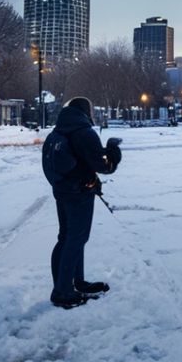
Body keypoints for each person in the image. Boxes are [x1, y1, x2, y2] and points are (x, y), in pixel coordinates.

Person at [48, 97, 122, 309]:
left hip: (62, 190)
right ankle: (63, 292)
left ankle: (74, 283)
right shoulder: (84, 132)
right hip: (79, 192)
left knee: (67, 238)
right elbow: (103, 166)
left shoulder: (59, 131)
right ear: (86, 111)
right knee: (76, 239)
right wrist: (113, 152)